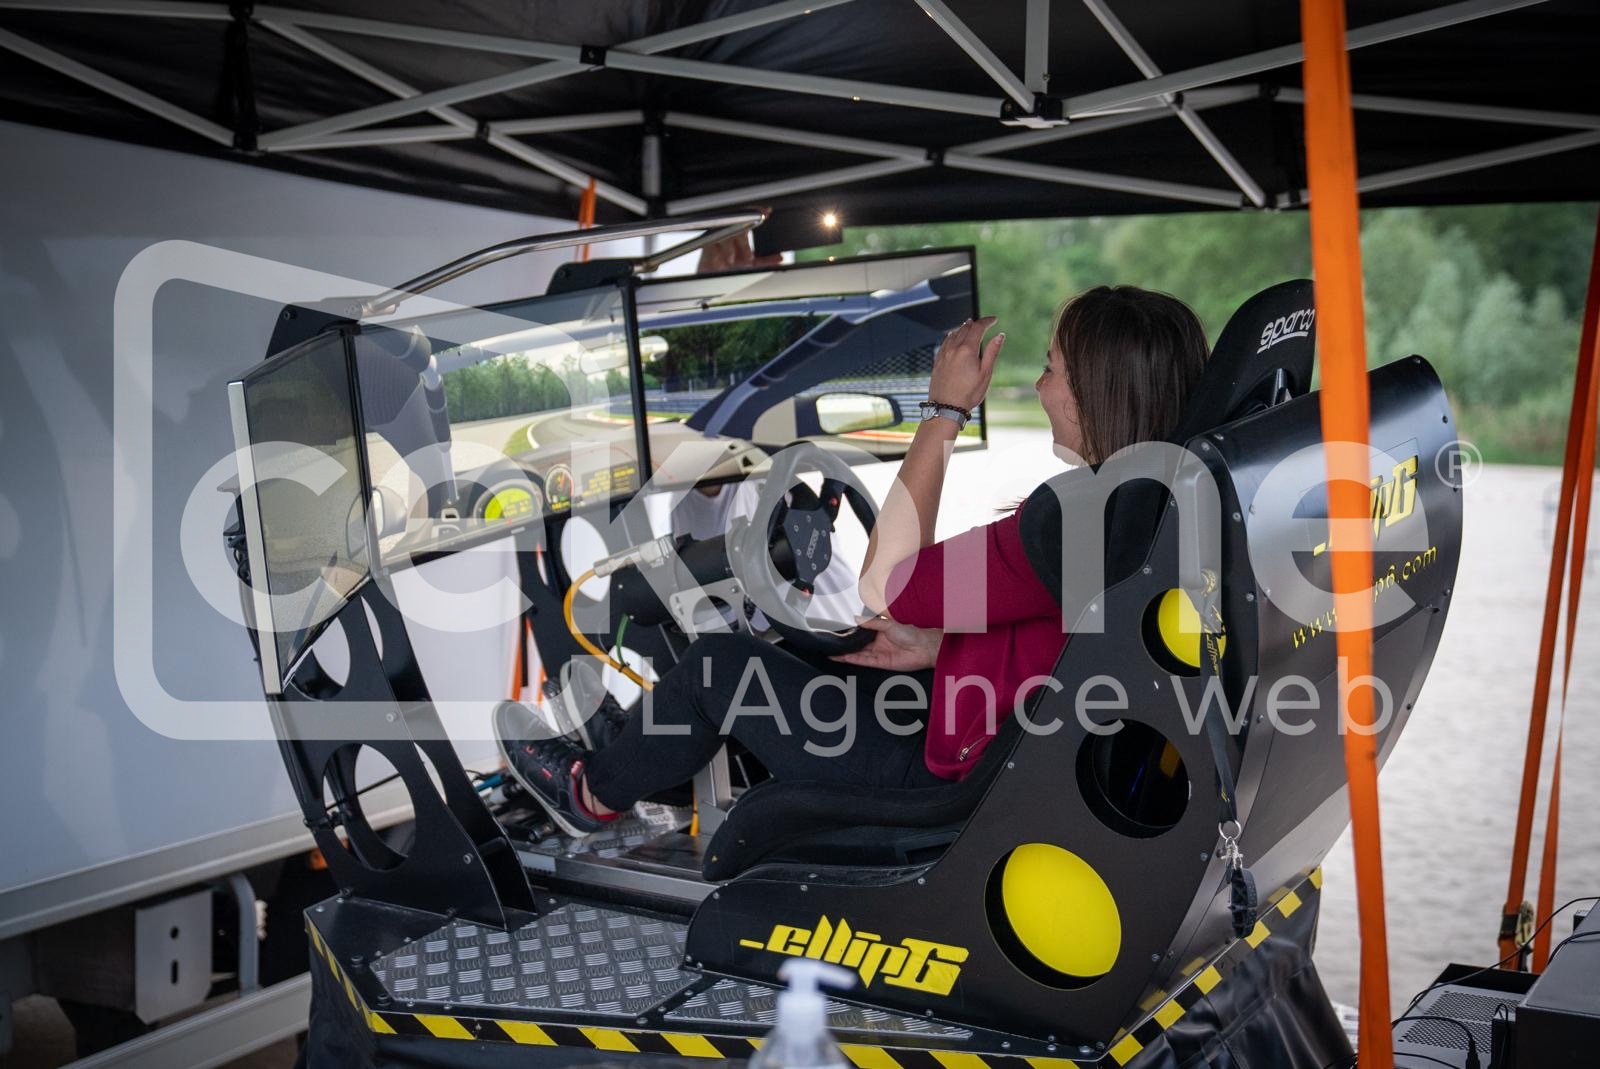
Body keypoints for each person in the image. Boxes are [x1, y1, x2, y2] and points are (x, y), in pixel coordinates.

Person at [502, 286, 1212, 836]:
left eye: (1052, 370)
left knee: (718, 665)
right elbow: (1059, 636)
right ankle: (632, 753)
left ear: (1096, 393)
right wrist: (941, 642)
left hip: (947, 775)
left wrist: (943, 413)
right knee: (823, 651)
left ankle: (588, 794)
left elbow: (887, 584)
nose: (1038, 386)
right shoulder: (1148, 505)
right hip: (1003, 742)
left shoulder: (1066, 521)